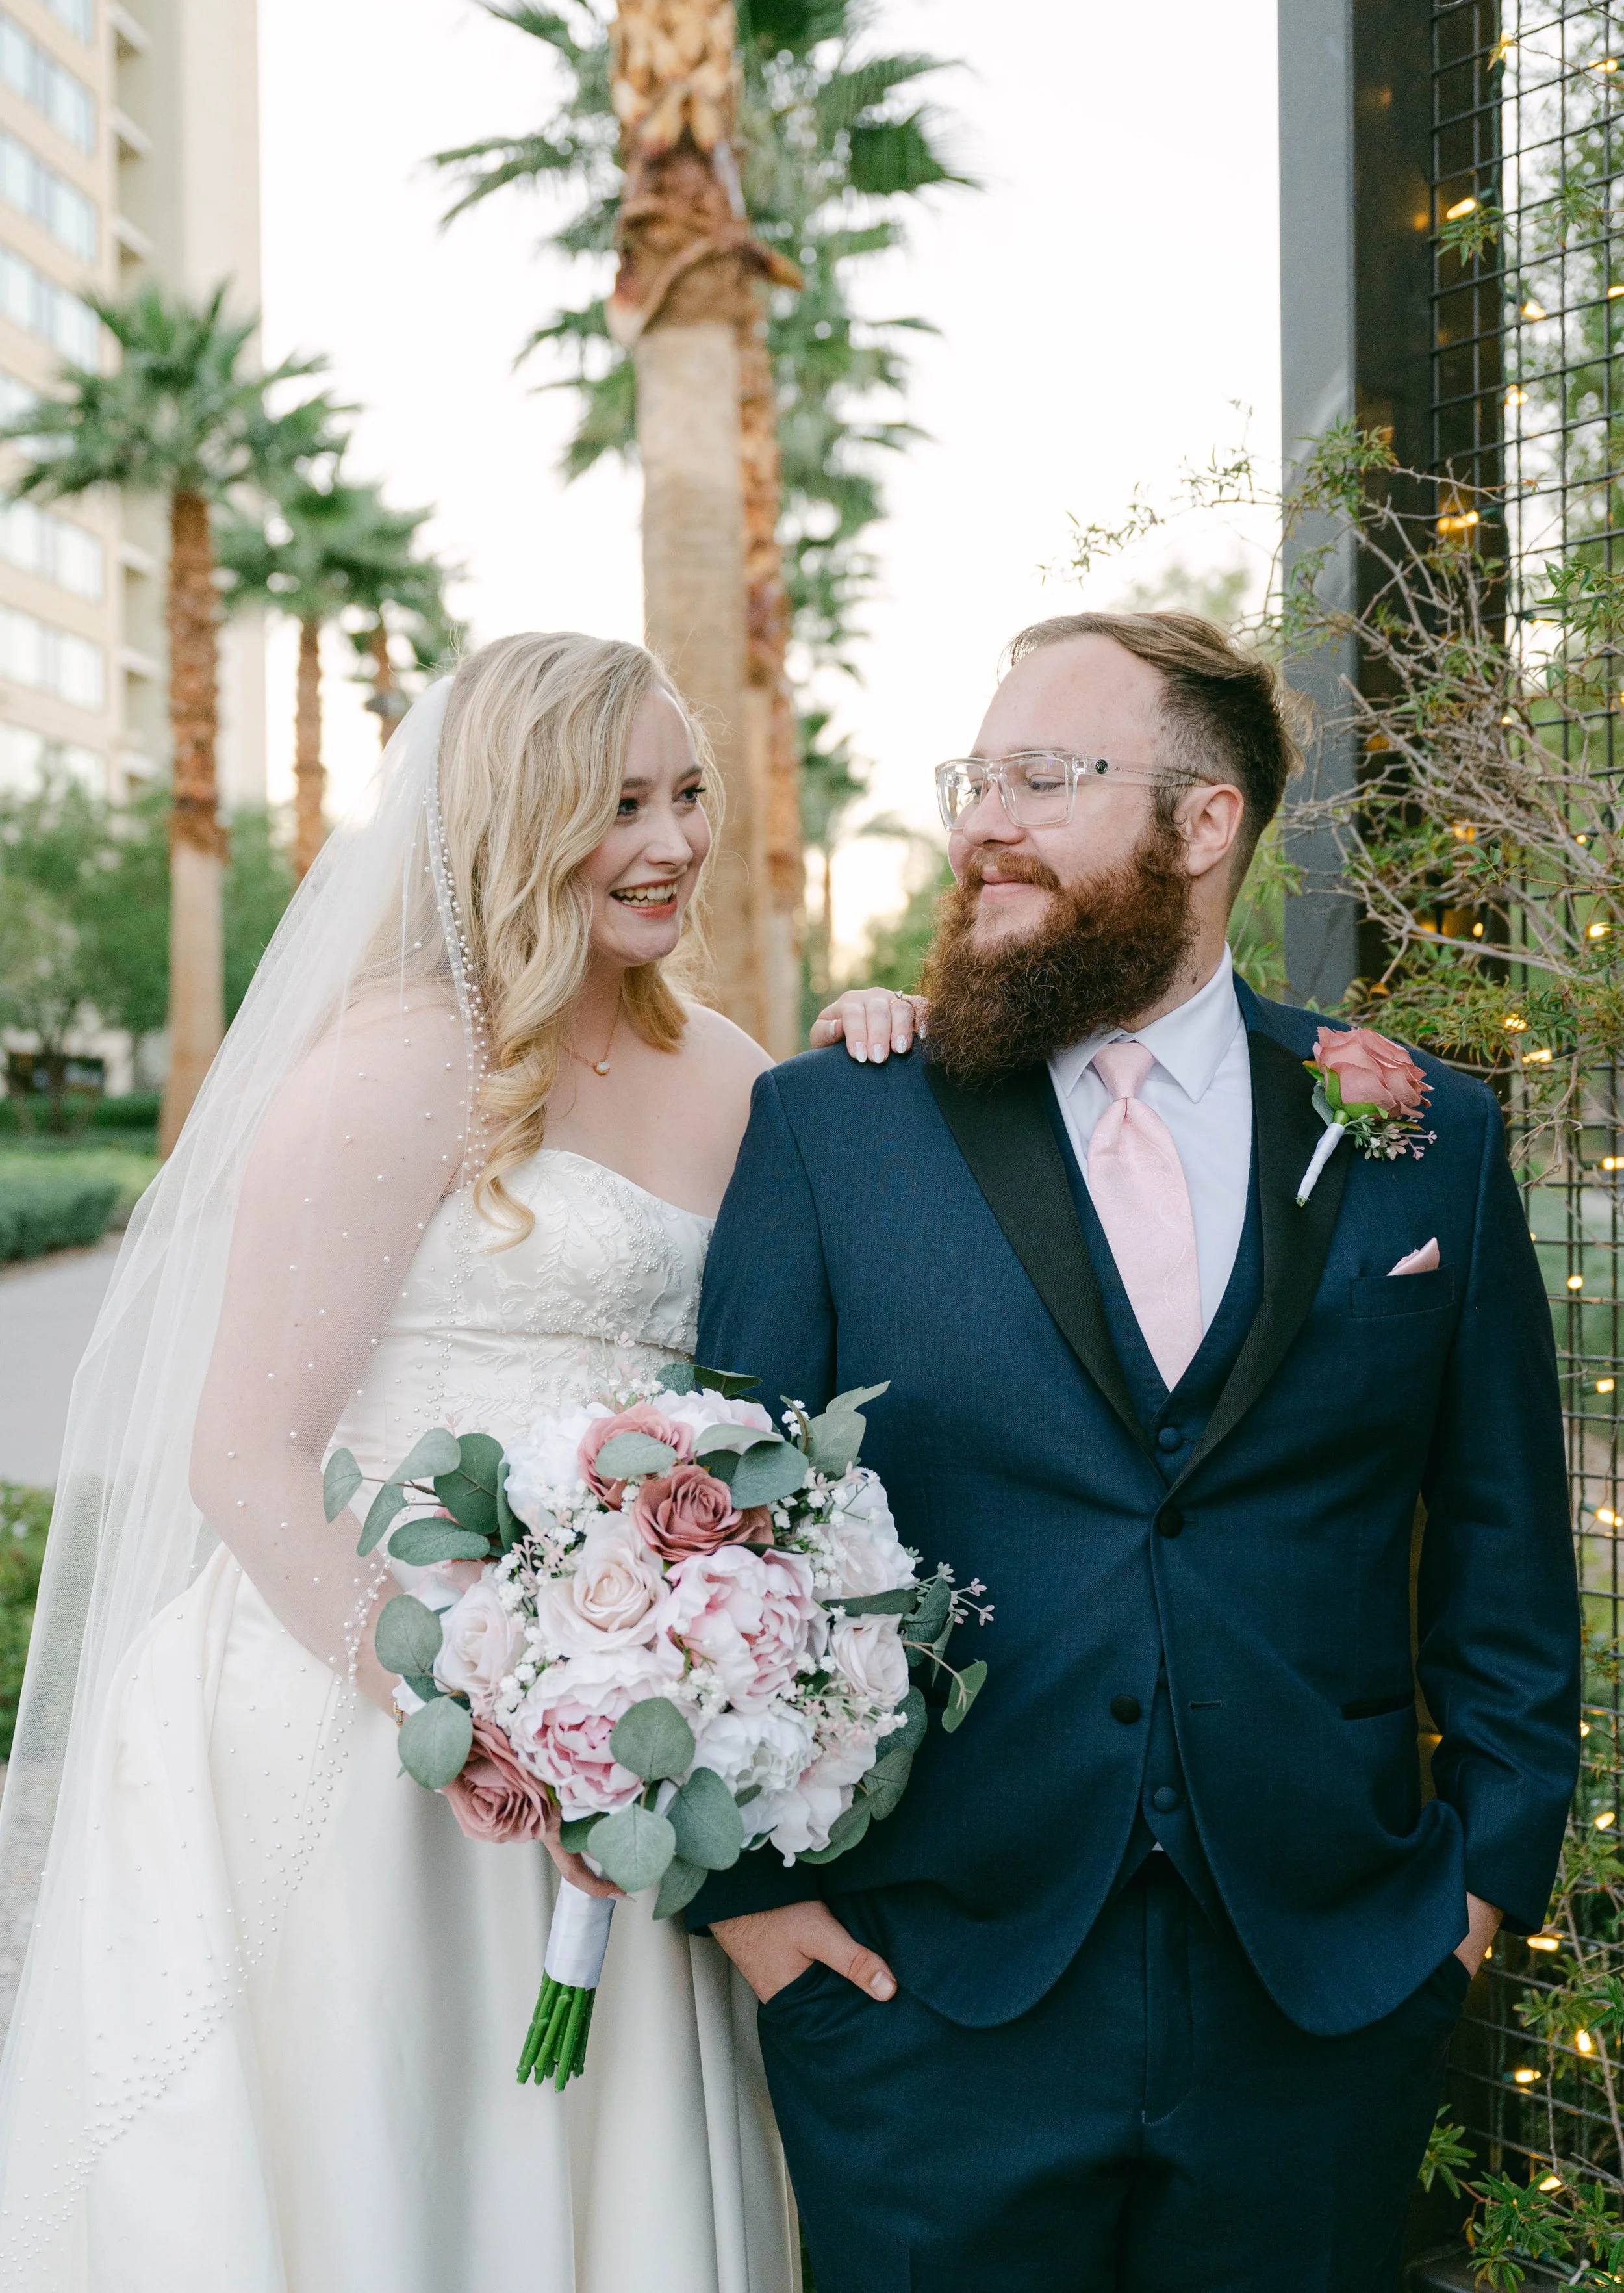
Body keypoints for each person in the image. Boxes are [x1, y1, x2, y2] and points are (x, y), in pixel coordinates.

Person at [694, 609, 1582, 2293]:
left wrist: (1469, 1898)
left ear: (1200, 825)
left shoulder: (1419, 1138)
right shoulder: (835, 1127)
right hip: (925, 1996)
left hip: (1321, 1990)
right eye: (976, 779)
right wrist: (753, 1912)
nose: (977, 824)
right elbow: (713, 1529)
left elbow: (1502, 1556)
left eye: (1043, 777)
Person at [0, 631, 878, 2293]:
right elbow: (243, 1452)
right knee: (388, 2167)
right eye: (619, 801)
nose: (673, 841)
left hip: (634, 1729)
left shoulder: (740, 1074)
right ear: (517, 815)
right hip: (362, 1735)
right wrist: (464, 1721)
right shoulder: (401, 1061)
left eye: (689, 795)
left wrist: (887, 1039)